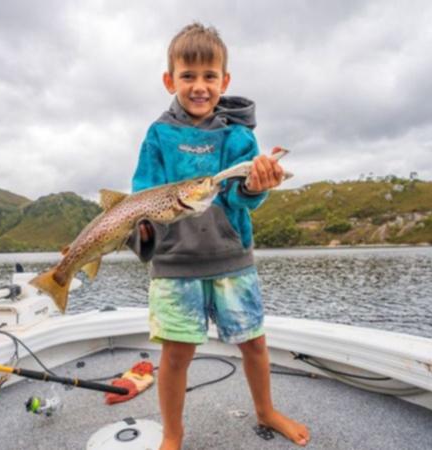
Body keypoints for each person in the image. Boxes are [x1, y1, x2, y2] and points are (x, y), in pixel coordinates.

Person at [128, 23, 310, 449]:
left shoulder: (240, 136)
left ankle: (266, 411)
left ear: (224, 81)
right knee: (175, 356)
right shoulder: (158, 135)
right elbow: (143, 197)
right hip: (175, 267)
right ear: (169, 80)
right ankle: (172, 435)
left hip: (233, 259)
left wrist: (255, 186)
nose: (199, 86)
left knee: (255, 343)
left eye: (209, 76)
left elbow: (243, 200)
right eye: (188, 76)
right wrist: (140, 230)